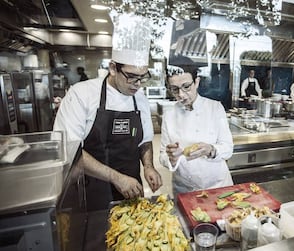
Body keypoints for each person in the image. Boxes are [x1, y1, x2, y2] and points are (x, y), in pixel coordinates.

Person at [53, 12, 162, 211]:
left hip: (130, 189)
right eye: (131, 77)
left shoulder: (140, 99)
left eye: (142, 78)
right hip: (90, 191)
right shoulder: (82, 94)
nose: (137, 85)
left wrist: (148, 166)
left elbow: (145, 140)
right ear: (113, 68)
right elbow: (70, 150)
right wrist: (115, 177)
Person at [159, 56, 234, 196]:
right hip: (185, 190)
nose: (181, 95)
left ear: (197, 82)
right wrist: (171, 157)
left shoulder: (215, 108)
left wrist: (211, 149)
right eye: (175, 89)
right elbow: (163, 155)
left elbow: (228, 148)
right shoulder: (169, 114)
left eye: (186, 87)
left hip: (217, 187)